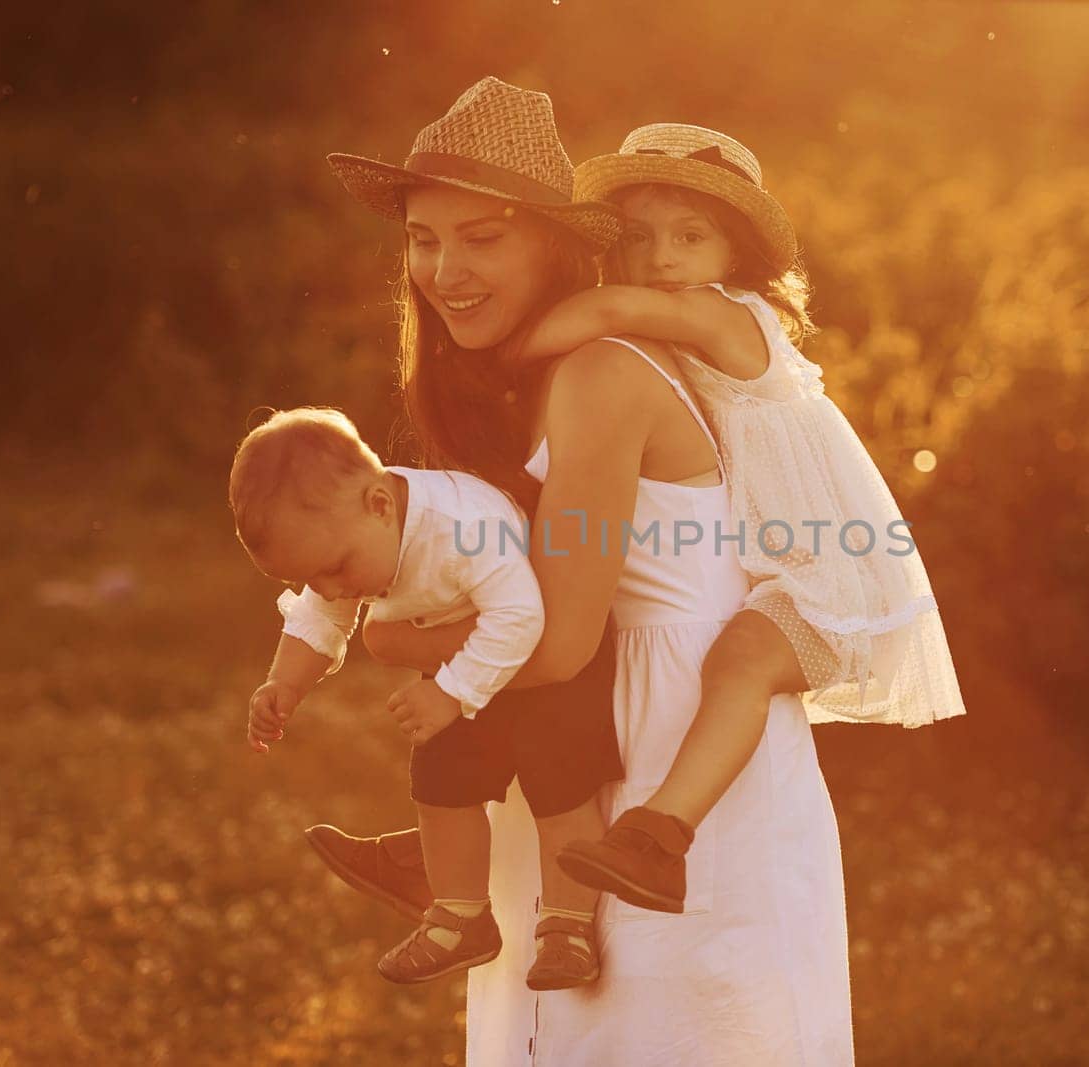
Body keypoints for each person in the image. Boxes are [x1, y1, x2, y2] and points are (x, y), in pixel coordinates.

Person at [323, 77, 855, 1063]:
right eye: (424, 239)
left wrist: (397, 636)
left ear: (561, 244)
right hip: (570, 761)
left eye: (484, 237)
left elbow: (557, 635)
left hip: (663, 763)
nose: (446, 270)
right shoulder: (522, 384)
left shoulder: (601, 374)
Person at [505, 123, 968, 913]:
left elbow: (608, 306)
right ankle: (456, 844)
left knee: (741, 664)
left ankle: (660, 839)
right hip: (784, 573)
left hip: (837, 579)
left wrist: (494, 357)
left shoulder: (732, 317)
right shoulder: (672, 327)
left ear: (737, 257)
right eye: (639, 238)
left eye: (691, 237)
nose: (662, 259)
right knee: (725, 662)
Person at [227, 406, 616, 990]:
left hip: (541, 655)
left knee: (560, 781)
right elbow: (319, 615)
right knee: (439, 781)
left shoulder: (463, 527)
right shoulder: (349, 538)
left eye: (335, 570)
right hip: (463, 656)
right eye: (314, 577)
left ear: (381, 505)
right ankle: (462, 916)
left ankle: (568, 925)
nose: (335, 590)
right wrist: (284, 683)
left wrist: (450, 693)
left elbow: (521, 616)